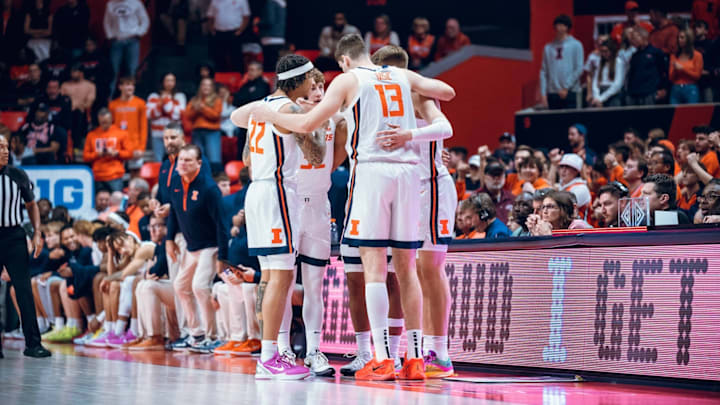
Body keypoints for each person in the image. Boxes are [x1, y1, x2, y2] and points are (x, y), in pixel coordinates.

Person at [250, 34, 455, 380]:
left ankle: (382, 358)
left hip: (375, 171)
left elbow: (305, 125)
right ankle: (416, 359)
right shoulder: (403, 78)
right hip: (408, 174)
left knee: (374, 268)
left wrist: (263, 111)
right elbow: (447, 92)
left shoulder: (349, 80)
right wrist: (409, 132)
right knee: (407, 269)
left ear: (344, 61)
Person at [230, 54, 328, 380]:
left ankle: (270, 353)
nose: (311, 86)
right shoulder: (289, 110)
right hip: (278, 193)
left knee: (270, 278)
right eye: (308, 82)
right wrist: (320, 126)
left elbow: (239, 134)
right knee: (282, 278)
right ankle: (270, 357)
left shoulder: (262, 107)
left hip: (257, 191)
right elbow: (315, 153)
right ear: (298, 82)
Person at [371, 44, 456, 377]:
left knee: (429, 269)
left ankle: (441, 353)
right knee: (411, 271)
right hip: (407, 188)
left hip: (431, 186)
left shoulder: (417, 91)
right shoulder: (384, 99)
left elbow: (446, 128)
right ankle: (417, 348)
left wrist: (409, 134)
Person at [165, 145, 229, 353]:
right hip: (191, 247)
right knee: (180, 286)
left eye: (188, 161)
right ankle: (197, 334)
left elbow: (222, 224)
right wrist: (169, 238)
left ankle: (212, 337)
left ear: (199, 164)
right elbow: (174, 211)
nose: (182, 164)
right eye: (180, 160)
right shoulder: (176, 182)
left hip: (210, 246)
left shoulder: (209, 189)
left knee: (200, 287)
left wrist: (223, 257)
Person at [0, 133, 51, 358]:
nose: (4, 150)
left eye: (5, 147)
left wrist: (37, 233)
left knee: (23, 289)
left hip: (14, 236)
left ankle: (33, 343)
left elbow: (31, 205)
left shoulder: (18, 175)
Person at [103, 0, 150, 96]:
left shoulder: (136, 3)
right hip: (117, 41)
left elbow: (145, 20)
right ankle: (109, 98)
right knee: (113, 71)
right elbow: (107, 22)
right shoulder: (111, 4)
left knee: (132, 70)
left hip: (132, 40)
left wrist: (139, 33)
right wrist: (111, 36)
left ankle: (131, 98)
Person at [539, 14, 584, 110]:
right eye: (557, 25)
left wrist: (566, 87)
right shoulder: (548, 47)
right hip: (553, 92)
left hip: (570, 92)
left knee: (569, 122)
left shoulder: (576, 45)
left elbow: (579, 68)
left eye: (562, 25)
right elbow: (544, 71)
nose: (558, 27)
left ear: (567, 27)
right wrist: (543, 93)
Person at [83, 108, 133, 192]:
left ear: (111, 119)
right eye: (102, 122)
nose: (104, 124)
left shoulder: (121, 133)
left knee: (116, 200)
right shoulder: (92, 135)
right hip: (97, 175)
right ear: (99, 120)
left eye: (106, 122)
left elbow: (130, 153)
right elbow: (85, 156)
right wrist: (97, 154)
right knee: (98, 202)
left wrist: (116, 153)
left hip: (115, 175)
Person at [147, 73, 186, 161]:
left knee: (175, 161)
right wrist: (162, 107)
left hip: (174, 134)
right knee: (158, 162)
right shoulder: (153, 96)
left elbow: (178, 115)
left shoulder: (180, 96)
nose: (170, 83)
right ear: (162, 82)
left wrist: (165, 101)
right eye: (167, 80)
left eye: (172, 80)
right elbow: (150, 114)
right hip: (157, 134)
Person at [186, 78, 222, 172]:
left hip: (212, 132)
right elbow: (188, 115)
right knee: (198, 159)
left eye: (208, 85)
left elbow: (215, 115)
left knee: (214, 160)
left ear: (212, 88)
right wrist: (196, 109)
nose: (206, 87)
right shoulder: (194, 100)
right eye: (203, 85)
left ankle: (215, 181)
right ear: (200, 87)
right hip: (197, 132)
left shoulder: (217, 100)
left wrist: (202, 108)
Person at [626, 27, 667, 106]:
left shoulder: (656, 53)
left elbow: (664, 72)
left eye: (634, 38)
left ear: (642, 37)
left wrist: (664, 89)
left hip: (649, 93)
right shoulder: (634, 55)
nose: (632, 41)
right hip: (634, 94)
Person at [206, 0, 250, 72]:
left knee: (236, 57)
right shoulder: (215, 1)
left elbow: (246, 17)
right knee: (219, 56)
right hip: (219, 33)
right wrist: (212, 30)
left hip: (235, 32)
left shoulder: (241, 1)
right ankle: (220, 78)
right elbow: (210, 16)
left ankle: (239, 77)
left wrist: (240, 30)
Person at [61, 64, 96, 148]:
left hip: (82, 114)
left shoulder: (90, 86)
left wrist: (77, 106)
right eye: (72, 72)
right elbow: (61, 101)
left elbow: (89, 103)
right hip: (68, 113)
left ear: (81, 73)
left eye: (74, 71)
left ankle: (78, 146)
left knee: (78, 114)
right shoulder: (65, 85)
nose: (72, 74)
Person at [669, 28, 703, 105]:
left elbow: (697, 76)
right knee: (674, 115)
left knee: (690, 115)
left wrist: (682, 69)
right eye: (678, 37)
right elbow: (671, 77)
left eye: (682, 37)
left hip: (691, 88)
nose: (679, 40)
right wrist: (675, 70)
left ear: (688, 39)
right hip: (676, 88)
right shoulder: (674, 55)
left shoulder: (697, 55)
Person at [476, 160, 514, 224]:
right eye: (492, 175)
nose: (496, 178)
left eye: (499, 175)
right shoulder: (476, 198)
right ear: (484, 177)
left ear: (505, 176)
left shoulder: (511, 197)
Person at [591, 39, 625, 107]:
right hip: (600, 93)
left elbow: (617, 84)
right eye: (602, 51)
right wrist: (596, 97)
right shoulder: (600, 62)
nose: (604, 54)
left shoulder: (618, 62)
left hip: (612, 95)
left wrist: (601, 98)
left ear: (612, 51)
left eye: (606, 51)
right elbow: (595, 81)